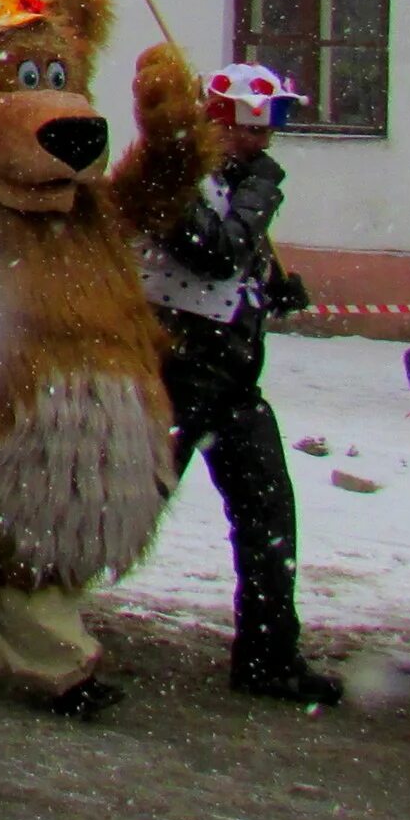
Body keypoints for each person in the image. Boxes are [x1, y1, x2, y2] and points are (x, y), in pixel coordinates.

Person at [140, 61, 343, 705]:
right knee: (117, 508)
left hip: (230, 375)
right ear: (224, 121)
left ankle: (268, 656)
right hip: (175, 371)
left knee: (268, 517)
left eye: (274, 124)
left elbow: (234, 260)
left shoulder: (235, 179)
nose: (265, 140)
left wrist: (271, 287)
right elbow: (213, 249)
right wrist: (258, 197)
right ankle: (4, 617)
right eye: (259, 124)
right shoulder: (177, 177)